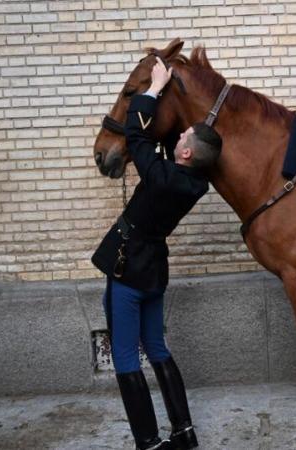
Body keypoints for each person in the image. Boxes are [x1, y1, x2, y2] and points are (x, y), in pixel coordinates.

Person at [92, 57, 222, 450]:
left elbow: (137, 137)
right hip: (153, 272)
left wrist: (151, 90)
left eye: (184, 139)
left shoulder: (163, 176)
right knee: (159, 348)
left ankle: (148, 443)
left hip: (128, 269)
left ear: (185, 154)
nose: (180, 136)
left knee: (126, 357)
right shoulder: (193, 182)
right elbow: (160, 144)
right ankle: (184, 432)